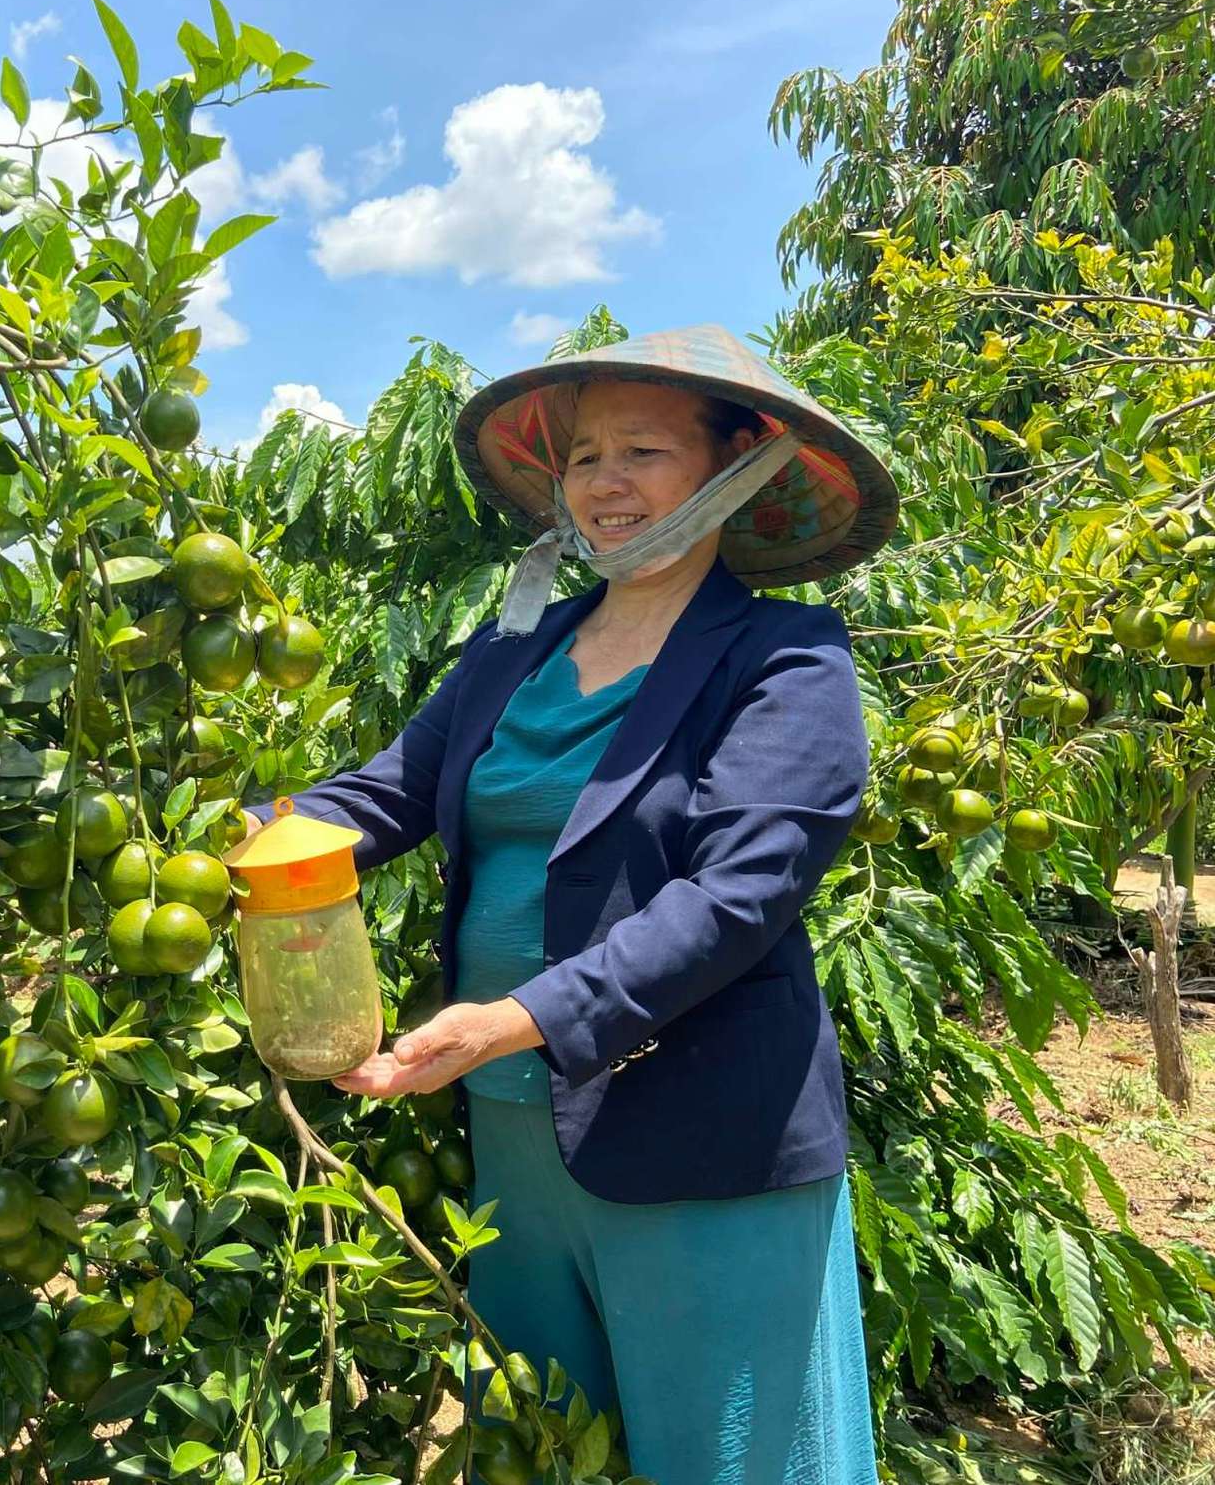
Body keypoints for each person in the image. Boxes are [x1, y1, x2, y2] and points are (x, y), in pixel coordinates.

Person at [245, 326, 898, 1483]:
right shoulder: (512, 654)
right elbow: (385, 793)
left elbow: (736, 898)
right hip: (511, 1122)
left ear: (734, 462)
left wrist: (517, 1016)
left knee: (729, 1448)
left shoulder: (784, 658)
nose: (603, 482)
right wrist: (256, 833)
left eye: (641, 450)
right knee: (552, 1439)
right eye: (584, 455)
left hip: (695, 1126)